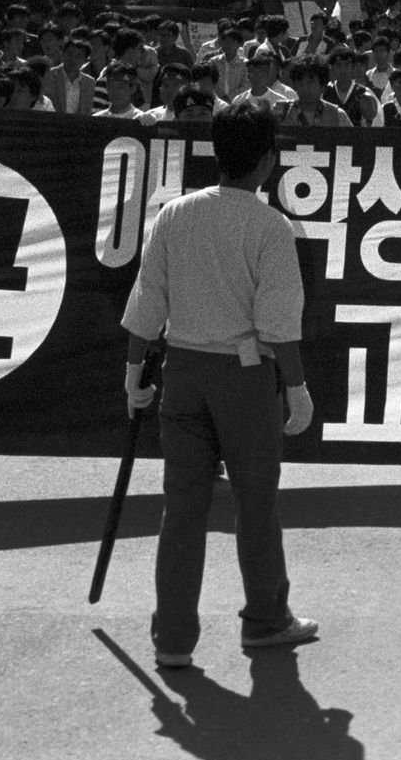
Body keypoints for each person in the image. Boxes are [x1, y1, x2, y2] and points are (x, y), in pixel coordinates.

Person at [121, 104, 320, 670]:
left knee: (182, 508)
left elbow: (145, 306)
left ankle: (173, 640)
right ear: (266, 161)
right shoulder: (270, 226)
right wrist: (297, 386)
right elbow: (279, 322)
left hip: (180, 371)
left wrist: (134, 373)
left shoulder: (175, 214)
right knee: (256, 505)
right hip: (244, 376)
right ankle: (265, 619)